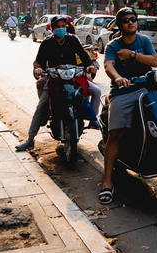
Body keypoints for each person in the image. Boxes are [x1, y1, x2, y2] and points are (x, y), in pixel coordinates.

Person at [99, 7, 157, 205]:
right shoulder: (113, 45)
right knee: (115, 133)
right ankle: (107, 181)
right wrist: (118, 79)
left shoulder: (144, 41)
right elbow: (109, 65)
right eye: (126, 20)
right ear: (120, 25)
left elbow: (154, 61)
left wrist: (133, 55)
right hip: (123, 91)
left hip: (146, 88)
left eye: (133, 19)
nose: (130, 22)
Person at [15, 15, 99, 151]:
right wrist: (38, 69)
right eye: (58, 26)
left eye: (63, 26)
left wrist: (89, 66)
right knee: (41, 105)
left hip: (74, 78)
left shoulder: (73, 40)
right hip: (54, 78)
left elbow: (84, 56)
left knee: (97, 91)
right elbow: (38, 61)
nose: (61, 29)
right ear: (52, 28)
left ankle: (93, 121)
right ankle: (30, 139)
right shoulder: (47, 43)